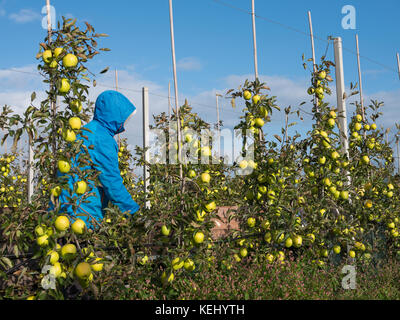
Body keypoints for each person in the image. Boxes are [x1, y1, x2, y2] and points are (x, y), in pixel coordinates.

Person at [56, 90, 140, 229]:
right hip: (82, 215)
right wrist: (134, 213)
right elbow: (112, 182)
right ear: (115, 114)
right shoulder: (101, 138)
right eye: (123, 118)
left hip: (63, 210)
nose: (124, 124)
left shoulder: (86, 131)